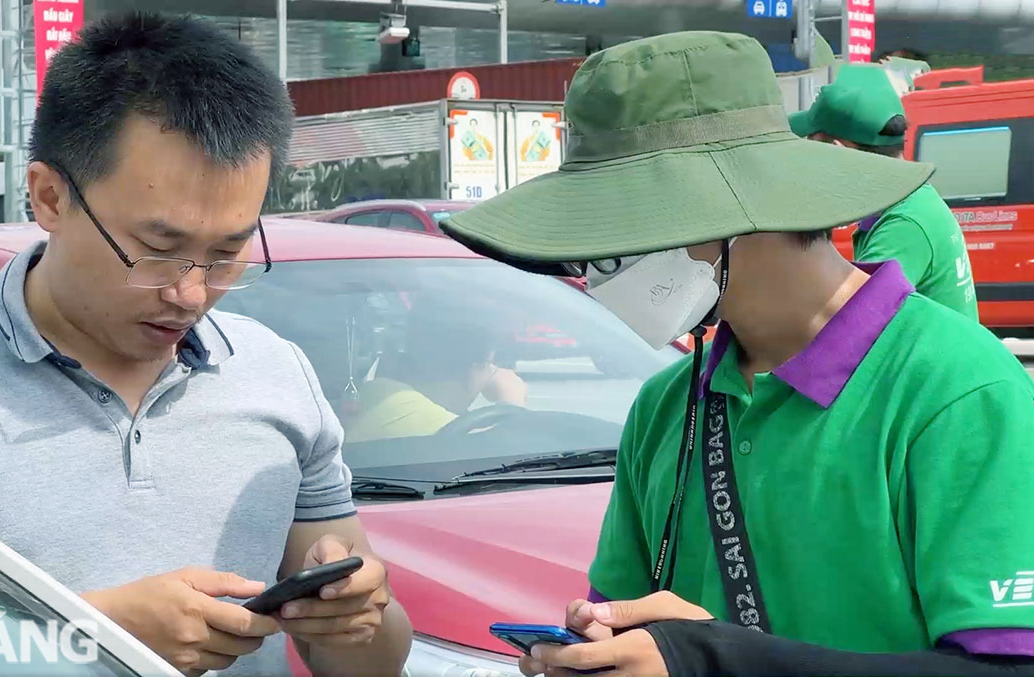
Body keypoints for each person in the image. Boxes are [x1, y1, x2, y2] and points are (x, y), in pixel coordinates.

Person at [0, 12, 411, 676]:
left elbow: (369, 663)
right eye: (155, 252)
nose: (191, 295)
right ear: (49, 197)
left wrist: (356, 616)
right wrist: (91, 635)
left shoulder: (277, 375)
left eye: (227, 255)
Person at [440, 31, 1034, 676]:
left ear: (722, 214)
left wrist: (719, 662)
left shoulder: (957, 393)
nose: (595, 274)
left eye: (612, 240)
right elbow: (633, 620)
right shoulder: (667, 407)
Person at [790, 64, 979, 320]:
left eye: (812, 149)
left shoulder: (902, 226)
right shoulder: (912, 201)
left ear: (837, 152)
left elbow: (846, 326)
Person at [343, 300, 526, 443]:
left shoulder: (378, 392)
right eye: (489, 364)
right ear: (473, 370)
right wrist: (511, 401)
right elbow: (507, 456)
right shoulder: (420, 420)